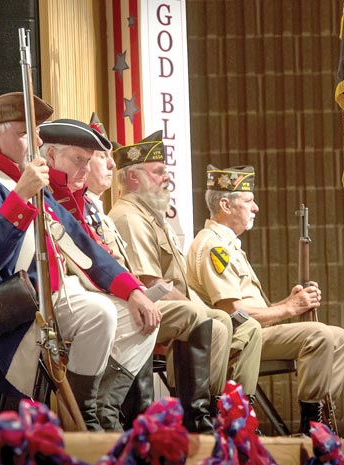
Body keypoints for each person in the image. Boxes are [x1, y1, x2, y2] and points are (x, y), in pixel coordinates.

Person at [0, 93, 160, 432]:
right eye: (22, 132)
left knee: (139, 318)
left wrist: (132, 289)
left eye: (35, 132)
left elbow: (81, 243)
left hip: (53, 294)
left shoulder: (29, 185)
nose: (34, 141)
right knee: (100, 313)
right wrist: (19, 196)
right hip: (13, 303)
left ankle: (88, 410)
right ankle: (80, 419)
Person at [38, 116, 231, 434]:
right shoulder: (56, 200)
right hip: (58, 300)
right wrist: (135, 292)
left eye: (91, 160)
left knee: (152, 313)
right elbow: (88, 261)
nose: (90, 169)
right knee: (166, 314)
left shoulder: (86, 205)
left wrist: (134, 292)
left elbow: (101, 259)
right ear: (50, 157)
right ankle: (119, 414)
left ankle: (115, 412)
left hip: (91, 296)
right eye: (81, 160)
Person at [186, 164, 344, 434]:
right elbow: (234, 314)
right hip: (239, 339)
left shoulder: (229, 245)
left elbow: (248, 309)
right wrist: (289, 308)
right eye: (249, 201)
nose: (256, 208)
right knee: (320, 335)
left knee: (340, 338)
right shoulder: (214, 246)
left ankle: (323, 417)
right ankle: (310, 425)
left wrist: (288, 302)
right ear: (226, 205)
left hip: (258, 332)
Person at [107, 131, 263, 409]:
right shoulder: (129, 217)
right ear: (133, 178)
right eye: (158, 172)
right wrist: (203, 311)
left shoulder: (151, 217)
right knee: (211, 319)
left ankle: (225, 410)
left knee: (240, 325)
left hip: (166, 310)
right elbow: (152, 283)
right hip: (141, 312)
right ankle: (200, 413)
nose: (166, 177)